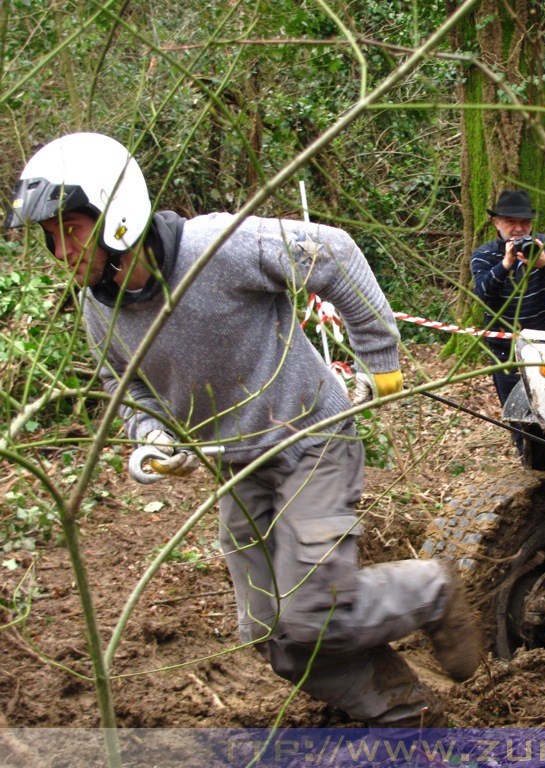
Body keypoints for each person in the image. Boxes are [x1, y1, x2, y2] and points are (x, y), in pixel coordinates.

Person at [4, 132, 481, 728]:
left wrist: (380, 362)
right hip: (238, 464)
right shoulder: (98, 308)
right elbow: (127, 389)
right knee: (268, 631)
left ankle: (431, 590)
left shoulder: (217, 248)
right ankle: (398, 712)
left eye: (70, 228)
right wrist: (153, 438)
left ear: (115, 213)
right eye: (50, 237)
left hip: (312, 440)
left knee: (314, 610)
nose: (60, 249)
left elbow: (332, 256)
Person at [471, 189, 545, 412]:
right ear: (496, 222)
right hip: (503, 349)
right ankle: (523, 447)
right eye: (510, 221)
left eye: (524, 222)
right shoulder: (485, 254)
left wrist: (544, 263)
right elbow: (482, 292)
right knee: (515, 412)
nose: (518, 228)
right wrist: (505, 264)